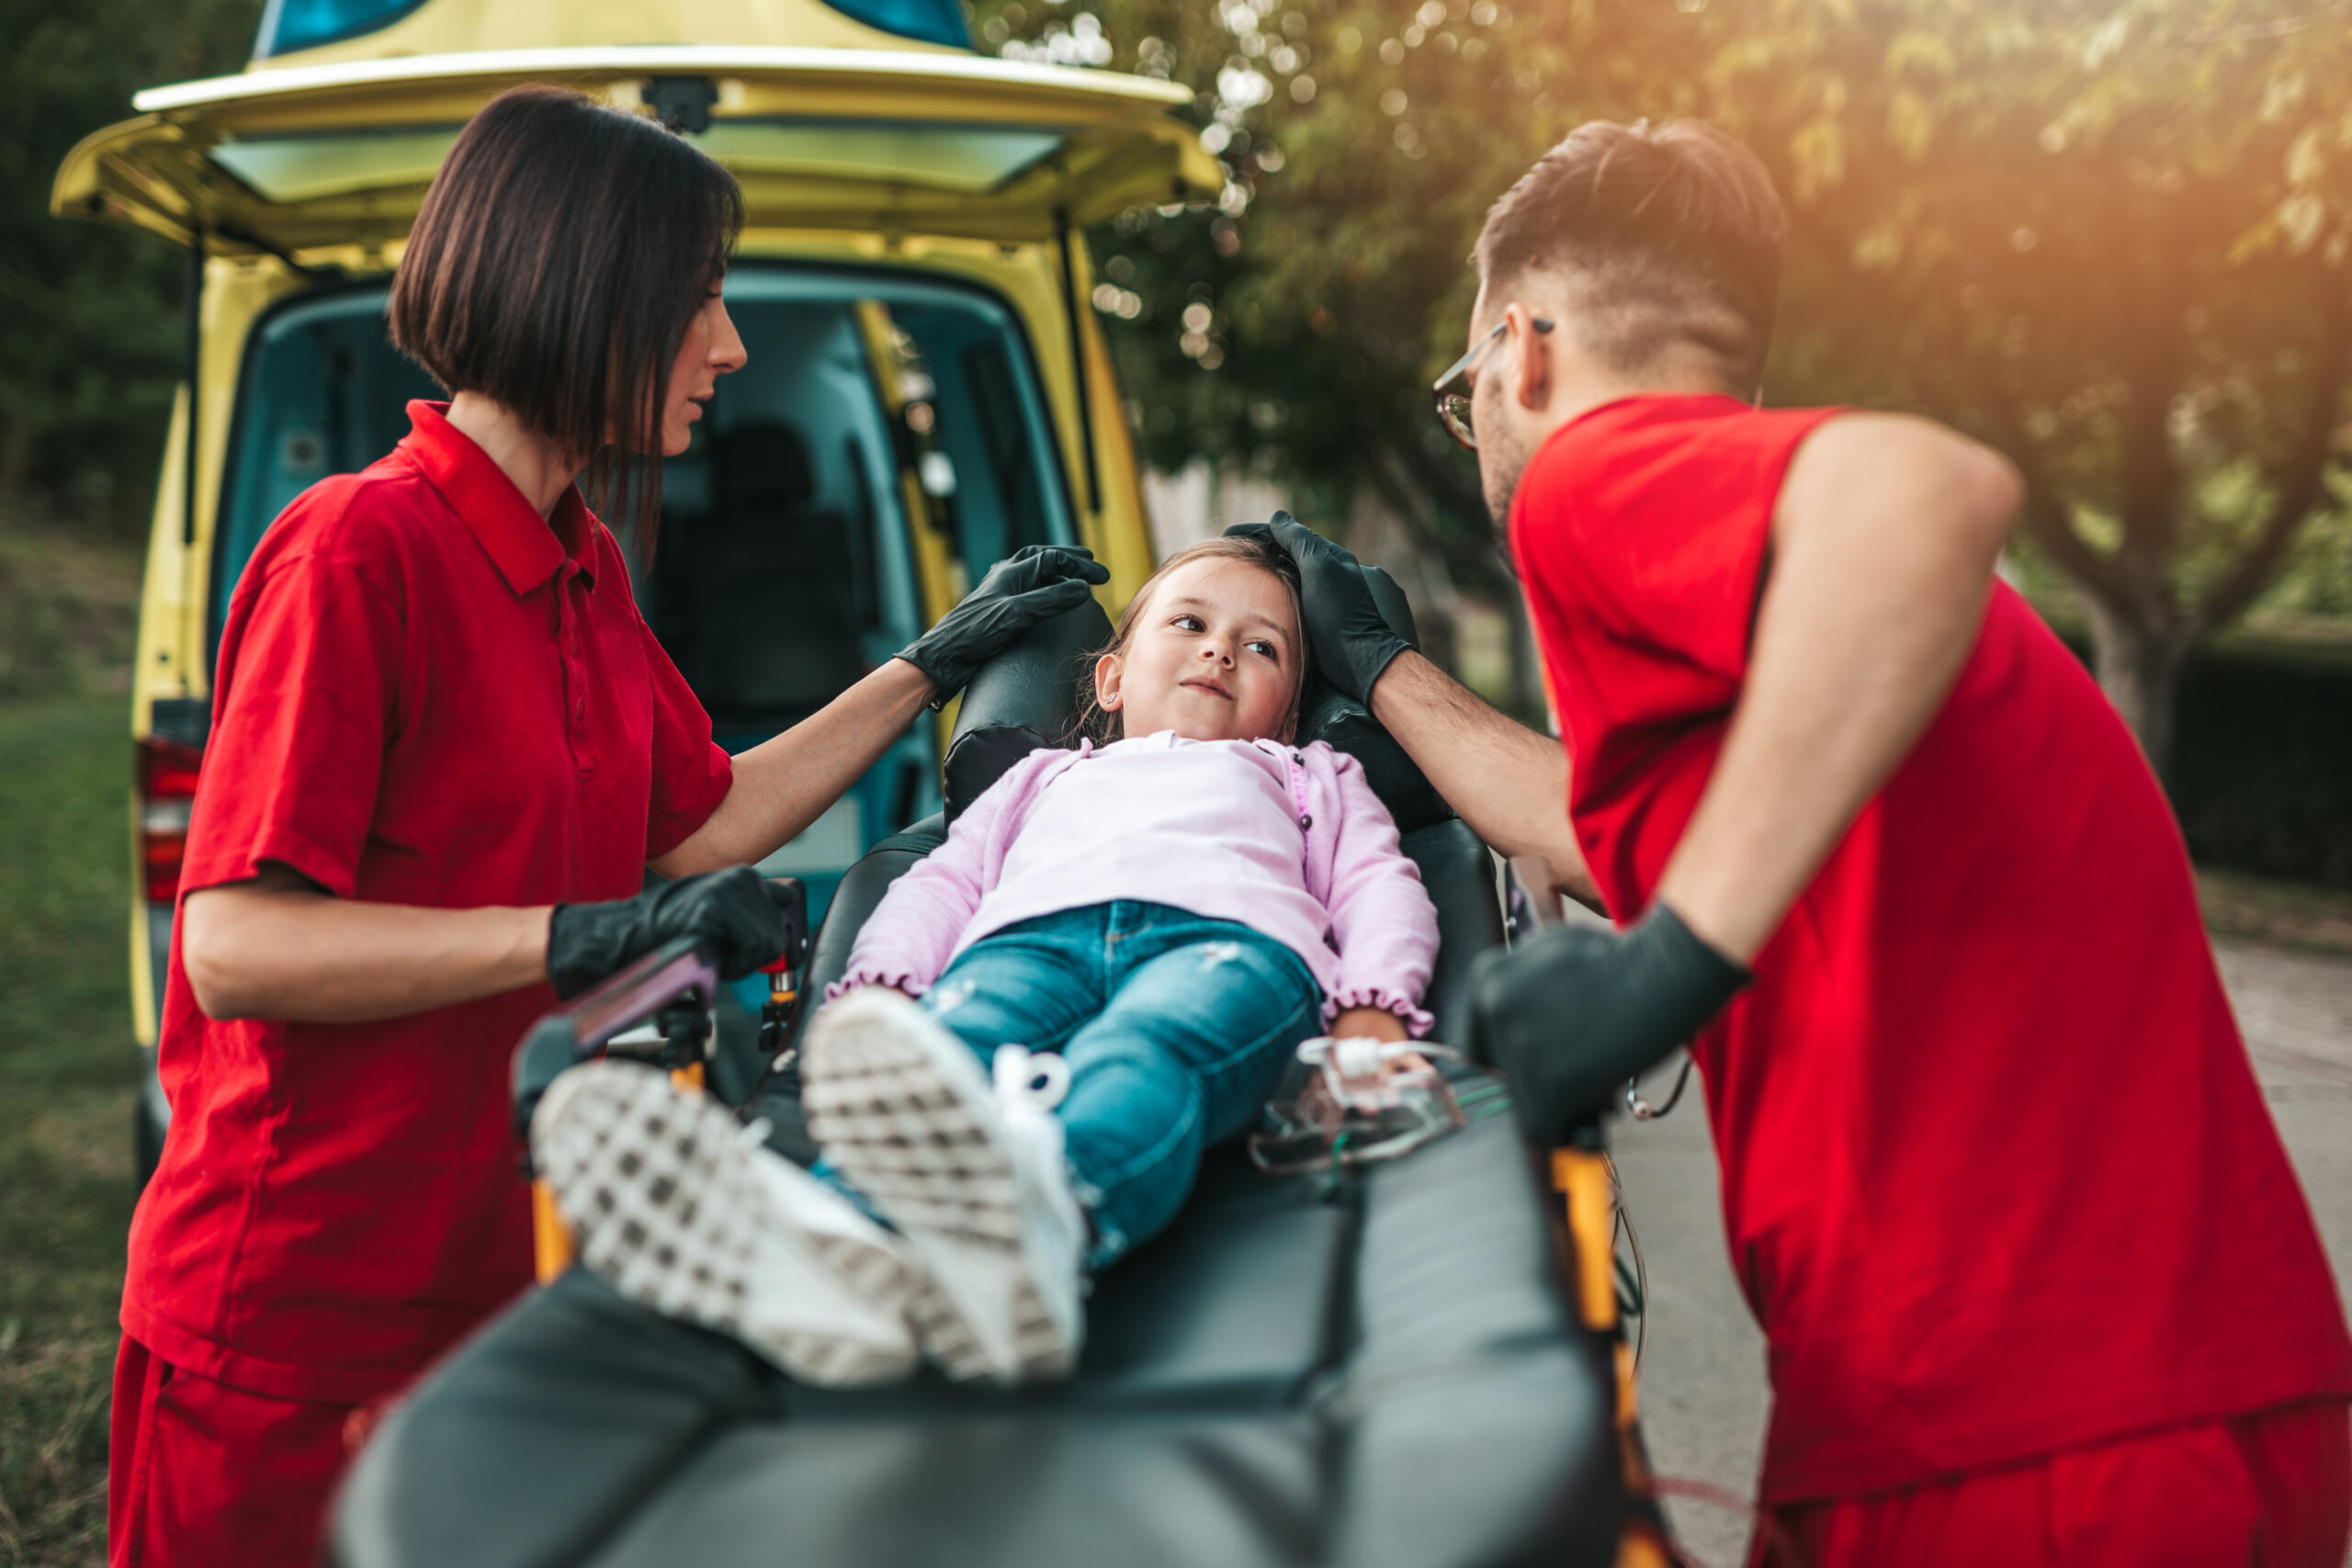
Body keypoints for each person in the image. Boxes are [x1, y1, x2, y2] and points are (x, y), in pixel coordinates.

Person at [1239, 120, 2352, 1567]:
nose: (1483, 432)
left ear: (1521, 348)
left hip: (2022, 1418)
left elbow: (1931, 493)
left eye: (1464, 396)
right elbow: (1610, 830)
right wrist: (1384, 671)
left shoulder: (1594, 476)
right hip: (2172, 1396)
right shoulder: (1800, 682)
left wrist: (1672, 966)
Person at [110, 86, 1106, 1568]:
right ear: (587, 293)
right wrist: (585, 935)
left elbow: (706, 821)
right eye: (700, 298)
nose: (732, 344)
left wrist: (936, 662)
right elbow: (237, 943)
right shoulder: (357, 550)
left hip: (504, 1263)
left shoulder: (580, 564)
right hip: (301, 1307)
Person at [528, 534, 1439, 1384]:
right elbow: (940, 887)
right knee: (949, 1045)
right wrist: (878, 989)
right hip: (1028, 943)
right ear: (1111, 680)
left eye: (1263, 648)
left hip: (1229, 947)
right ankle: (830, 1240)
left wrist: (1370, 1008)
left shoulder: (1309, 777)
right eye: (1190, 623)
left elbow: (1378, 885)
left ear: (1287, 717)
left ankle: (1045, 1227)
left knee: (1142, 1052)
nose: (1219, 653)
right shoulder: (1042, 779)